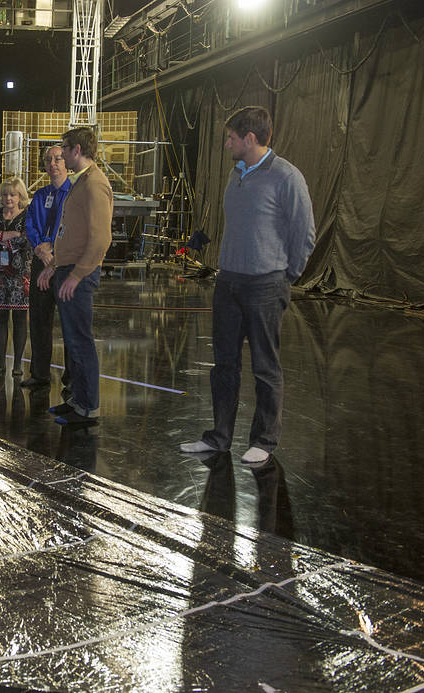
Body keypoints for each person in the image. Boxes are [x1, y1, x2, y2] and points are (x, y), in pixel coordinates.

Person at [179, 106, 316, 465]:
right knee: (223, 364)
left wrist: (286, 277)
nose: (227, 144)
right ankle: (219, 436)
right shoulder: (235, 174)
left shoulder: (287, 177)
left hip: (266, 285)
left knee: (265, 366)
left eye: (231, 138)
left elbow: (305, 233)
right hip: (229, 283)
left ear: (250, 139)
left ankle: (264, 440)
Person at [37, 127, 112, 426]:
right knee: (73, 339)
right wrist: (55, 266)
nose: (62, 154)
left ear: (77, 150)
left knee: (80, 340)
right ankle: (77, 400)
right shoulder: (81, 183)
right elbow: (72, 234)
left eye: (65, 149)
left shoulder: (94, 184)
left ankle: (89, 406)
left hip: (79, 274)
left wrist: (77, 275)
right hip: (67, 269)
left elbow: (100, 238)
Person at [22, 145, 72, 389]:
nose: (53, 163)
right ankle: (40, 374)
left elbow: (71, 228)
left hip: (64, 264)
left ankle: (72, 379)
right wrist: (40, 249)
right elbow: (30, 224)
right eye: (48, 159)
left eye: (58, 158)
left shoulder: (74, 193)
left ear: (67, 162)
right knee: (39, 321)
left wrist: (52, 250)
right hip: (40, 261)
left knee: (69, 323)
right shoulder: (40, 196)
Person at [0, 177, 31, 377]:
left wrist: (1, 236)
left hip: (21, 274)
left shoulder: (28, 215)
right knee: (0, 318)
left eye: (12, 194)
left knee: (20, 319)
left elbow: (28, 240)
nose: (8, 198)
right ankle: (1, 362)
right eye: (4, 194)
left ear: (20, 195)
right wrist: (11, 235)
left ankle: (18, 364)